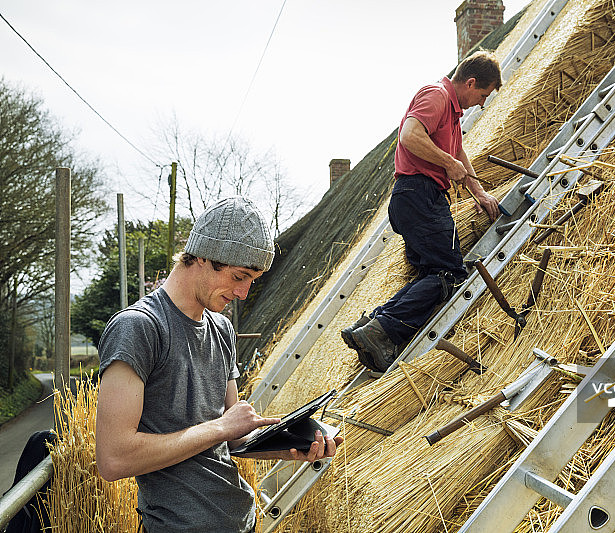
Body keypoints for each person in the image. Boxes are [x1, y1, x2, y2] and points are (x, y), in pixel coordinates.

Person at [95, 197, 343, 533]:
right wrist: (222, 428)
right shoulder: (138, 327)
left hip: (240, 519)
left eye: (251, 280)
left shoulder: (221, 329)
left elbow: (234, 440)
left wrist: (287, 446)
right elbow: (113, 459)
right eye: (239, 276)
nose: (243, 293)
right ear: (201, 256)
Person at [341, 50, 502, 372]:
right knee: (450, 273)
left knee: (430, 273)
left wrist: (478, 191)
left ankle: (370, 324)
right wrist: (447, 163)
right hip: (420, 194)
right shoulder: (437, 95)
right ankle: (382, 330)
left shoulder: (451, 114)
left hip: (415, 197)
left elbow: (456, 151)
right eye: (482, 95)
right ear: (470, 83)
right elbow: (410, 135)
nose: (482, 103)